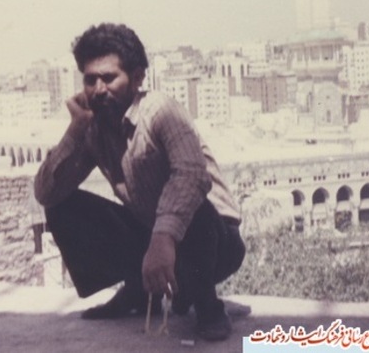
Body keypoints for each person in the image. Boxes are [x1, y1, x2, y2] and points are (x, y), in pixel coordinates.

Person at [34, 23, 245, 341]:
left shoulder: (159, 111)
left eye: (109, 78)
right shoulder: (94, 127)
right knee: (62, 207)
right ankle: (138, 288)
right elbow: (46, 193)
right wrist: (75, 130)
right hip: (156, 239)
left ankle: (207, 305)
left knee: (194, 202)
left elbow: (191, 175)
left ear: (137, 78)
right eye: (90, 80)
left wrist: (163, 237)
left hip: (216, 242)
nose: (98, 89)